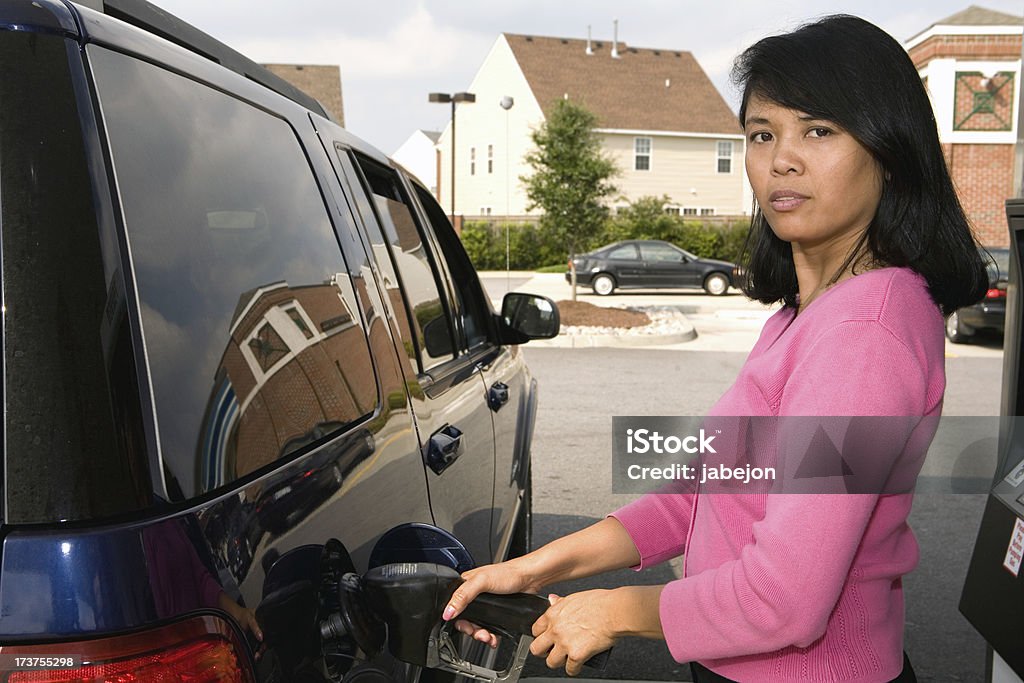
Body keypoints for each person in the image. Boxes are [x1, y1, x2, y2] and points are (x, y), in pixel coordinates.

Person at [442, 14, 990, 683]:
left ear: (889, 150)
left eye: (819, 130)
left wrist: (611, 611)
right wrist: (532, 566)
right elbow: (696, 498)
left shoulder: (865, 335)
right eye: (763, 134)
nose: (780, 158)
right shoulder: (807, 317)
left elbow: (786, 597)